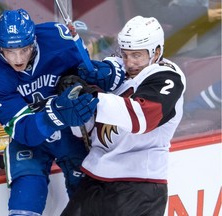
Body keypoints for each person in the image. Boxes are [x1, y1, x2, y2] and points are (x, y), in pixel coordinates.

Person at [0, 9, 98, 216]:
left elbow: (92, 79)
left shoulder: (61, 40)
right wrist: (57, 112)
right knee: (25, 201)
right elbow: (23, 130)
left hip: (70, 131)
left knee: (87, 203)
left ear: (34, 41)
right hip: (30, 137)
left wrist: (88, 83)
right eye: (9, 51)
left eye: (24, 49)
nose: (18, 59)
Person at [61, 16, 186, 216]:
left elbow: (142, 118)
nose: (130, 62)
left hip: (140, 186)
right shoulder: (115, 70)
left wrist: (92, 96)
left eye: (137, 55)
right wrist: (76, 103)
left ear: (157, 52)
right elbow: (85, 131)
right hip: (95, 177)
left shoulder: (167, 77)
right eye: (125, 54)